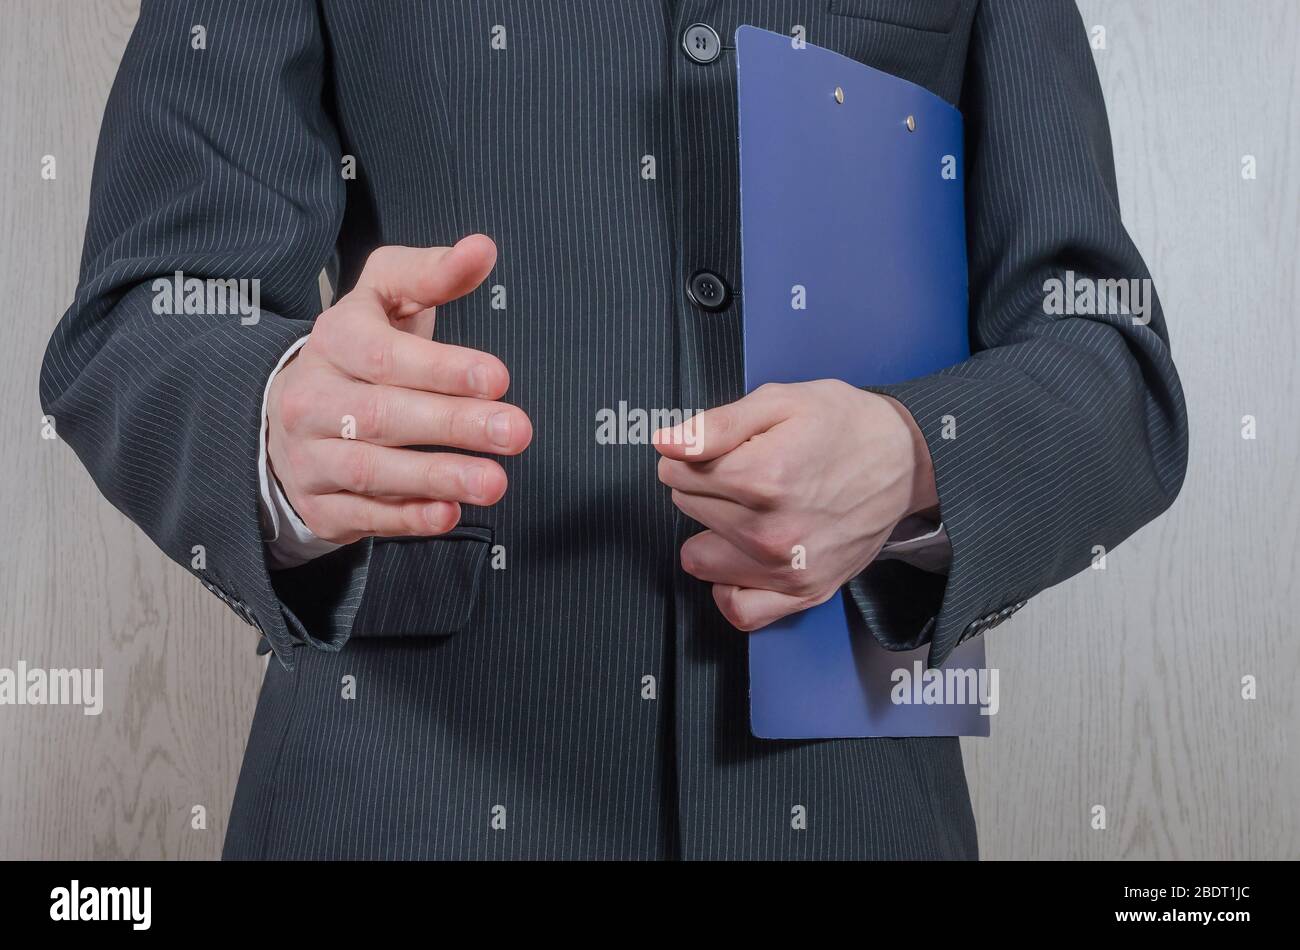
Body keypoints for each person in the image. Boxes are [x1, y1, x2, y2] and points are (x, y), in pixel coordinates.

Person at [40, 0, 1187, 859]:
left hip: (855, 808)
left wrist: (917, 454)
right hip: (398, 795)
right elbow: (141, 316)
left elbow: (1108, 361)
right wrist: (280, 426)